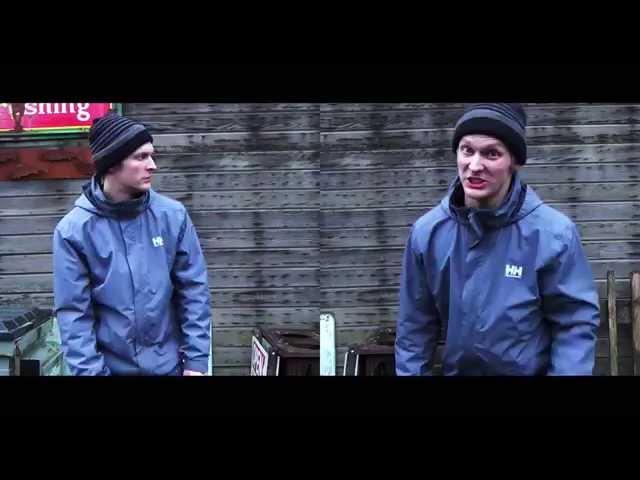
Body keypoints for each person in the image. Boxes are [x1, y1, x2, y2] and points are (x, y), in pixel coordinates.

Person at [395, 103, 599, 376]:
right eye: (467, 150)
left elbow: (574, 326)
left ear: (514, 161)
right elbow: (414, 331)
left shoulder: (553, 236)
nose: (474, 166)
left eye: (491, 153)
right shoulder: (428, 234)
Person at [53, 112, 211, 376]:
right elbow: (74, 316)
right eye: (141, 157)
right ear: (111, 164)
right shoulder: (74, 231)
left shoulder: (172, 217)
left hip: (171, 368)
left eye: (151, 156)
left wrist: (196, 362)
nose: (152, 165)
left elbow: (194, 291)